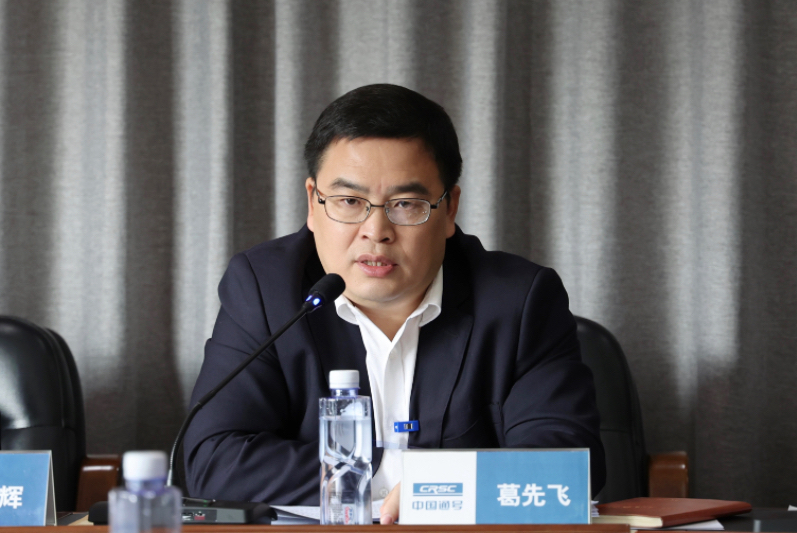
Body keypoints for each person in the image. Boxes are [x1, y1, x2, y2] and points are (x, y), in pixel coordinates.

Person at [184, 84, 605, 524]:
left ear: (449, 209)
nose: (376, 230)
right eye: (350, 201)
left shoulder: (519, 299)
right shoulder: (266, 288)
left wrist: (430, 486)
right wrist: (404, 478)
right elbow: (211, 459)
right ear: (312, 202)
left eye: (405, 204)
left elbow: (568, 466)